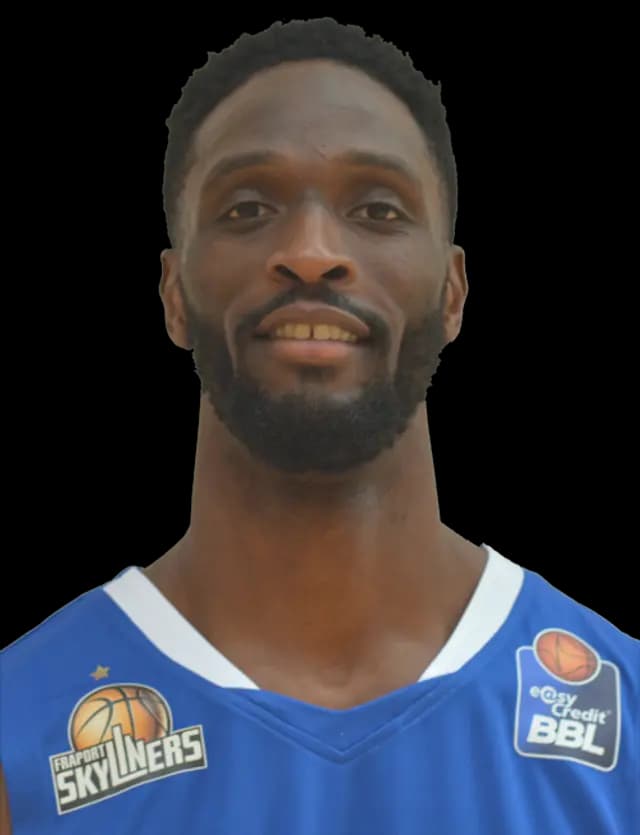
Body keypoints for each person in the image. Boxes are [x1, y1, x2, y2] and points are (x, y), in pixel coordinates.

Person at [1, 17, 637, 834]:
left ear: (452, 293)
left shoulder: (622, 714)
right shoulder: (21, 733)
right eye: (247, 208)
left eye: (377, 209)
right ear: (173, 293)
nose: (310, 251)